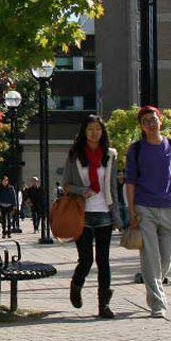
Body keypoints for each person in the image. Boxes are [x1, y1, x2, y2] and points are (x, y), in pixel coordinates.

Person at [125, 106, 171, 319]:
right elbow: (130, 181)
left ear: (160, 120)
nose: (151, 123)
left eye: (153, 119)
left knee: (165, 259)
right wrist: (131, 209)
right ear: (141, 127)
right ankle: (158, 303)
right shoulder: (136, 149)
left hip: (168, 207)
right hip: (144, 207)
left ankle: (152, 287)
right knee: (151, 256)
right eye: (145, 121)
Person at [63, 114, 121, 319]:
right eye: (90, 129)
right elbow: (66, 185)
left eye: (98, 128)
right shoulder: (75, 155)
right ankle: (76, 285)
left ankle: (103, 305)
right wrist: (82, 190)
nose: (94, 132)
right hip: (82, 214)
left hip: (104, 213)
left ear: (102, 131)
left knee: (103, 261)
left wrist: (118, 217)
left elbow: (113, 186)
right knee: (86, 260)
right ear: (84, 132)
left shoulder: (110, 155)